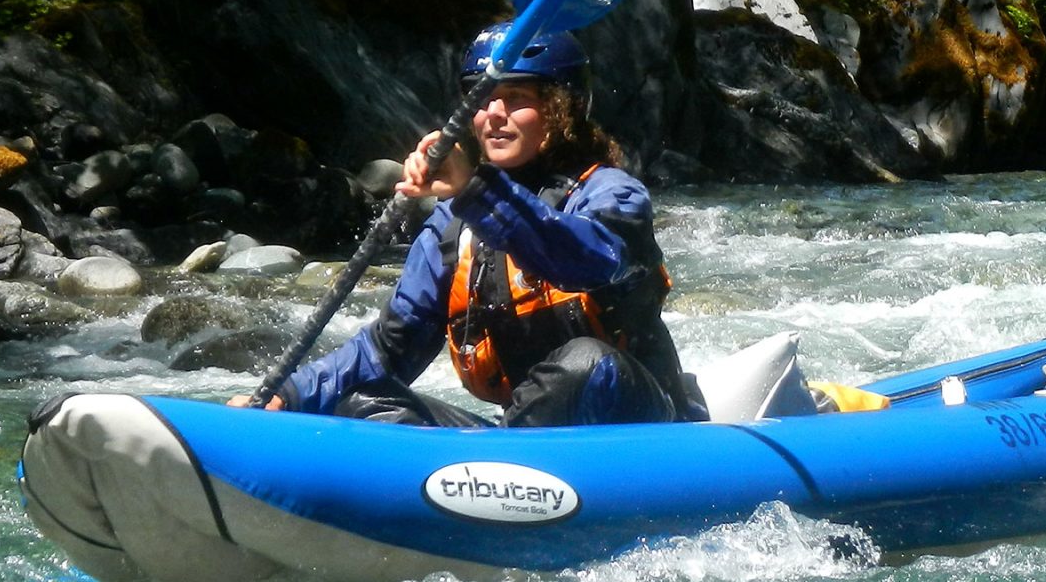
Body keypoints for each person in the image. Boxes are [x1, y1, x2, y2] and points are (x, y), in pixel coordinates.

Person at [240, 22, 707, 427]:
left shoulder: (611, 194)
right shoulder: (452, 226)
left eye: (517, 97)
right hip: (526, 436)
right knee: (366, 401)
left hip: (639, 421)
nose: (494, 115)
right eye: (484, 99)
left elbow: (583, 260)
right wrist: (290, 395)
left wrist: (473, 190)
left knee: (585, 362)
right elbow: (388, 348)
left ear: (562, 110)